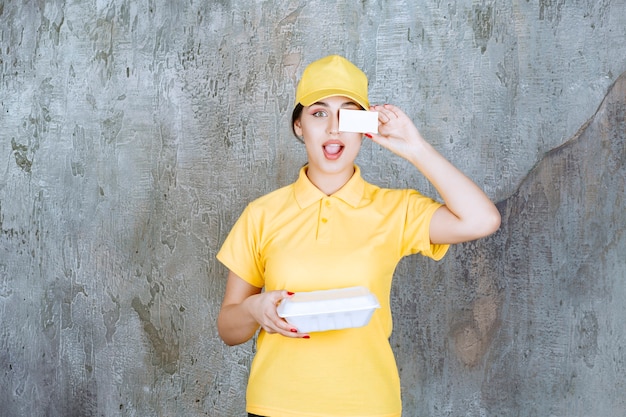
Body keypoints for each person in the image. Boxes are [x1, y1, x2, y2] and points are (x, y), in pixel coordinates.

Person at [216, 55, 501, 417]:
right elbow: (229, 329)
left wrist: (415, 147)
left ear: (364, 127)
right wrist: (255, 310)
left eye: (348, 115)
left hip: (367, 405)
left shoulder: (394, 209)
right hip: (275, 404)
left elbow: (482, 219)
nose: (334, 129)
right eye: (318, 114)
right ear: (299, 125)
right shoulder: (261, 214)